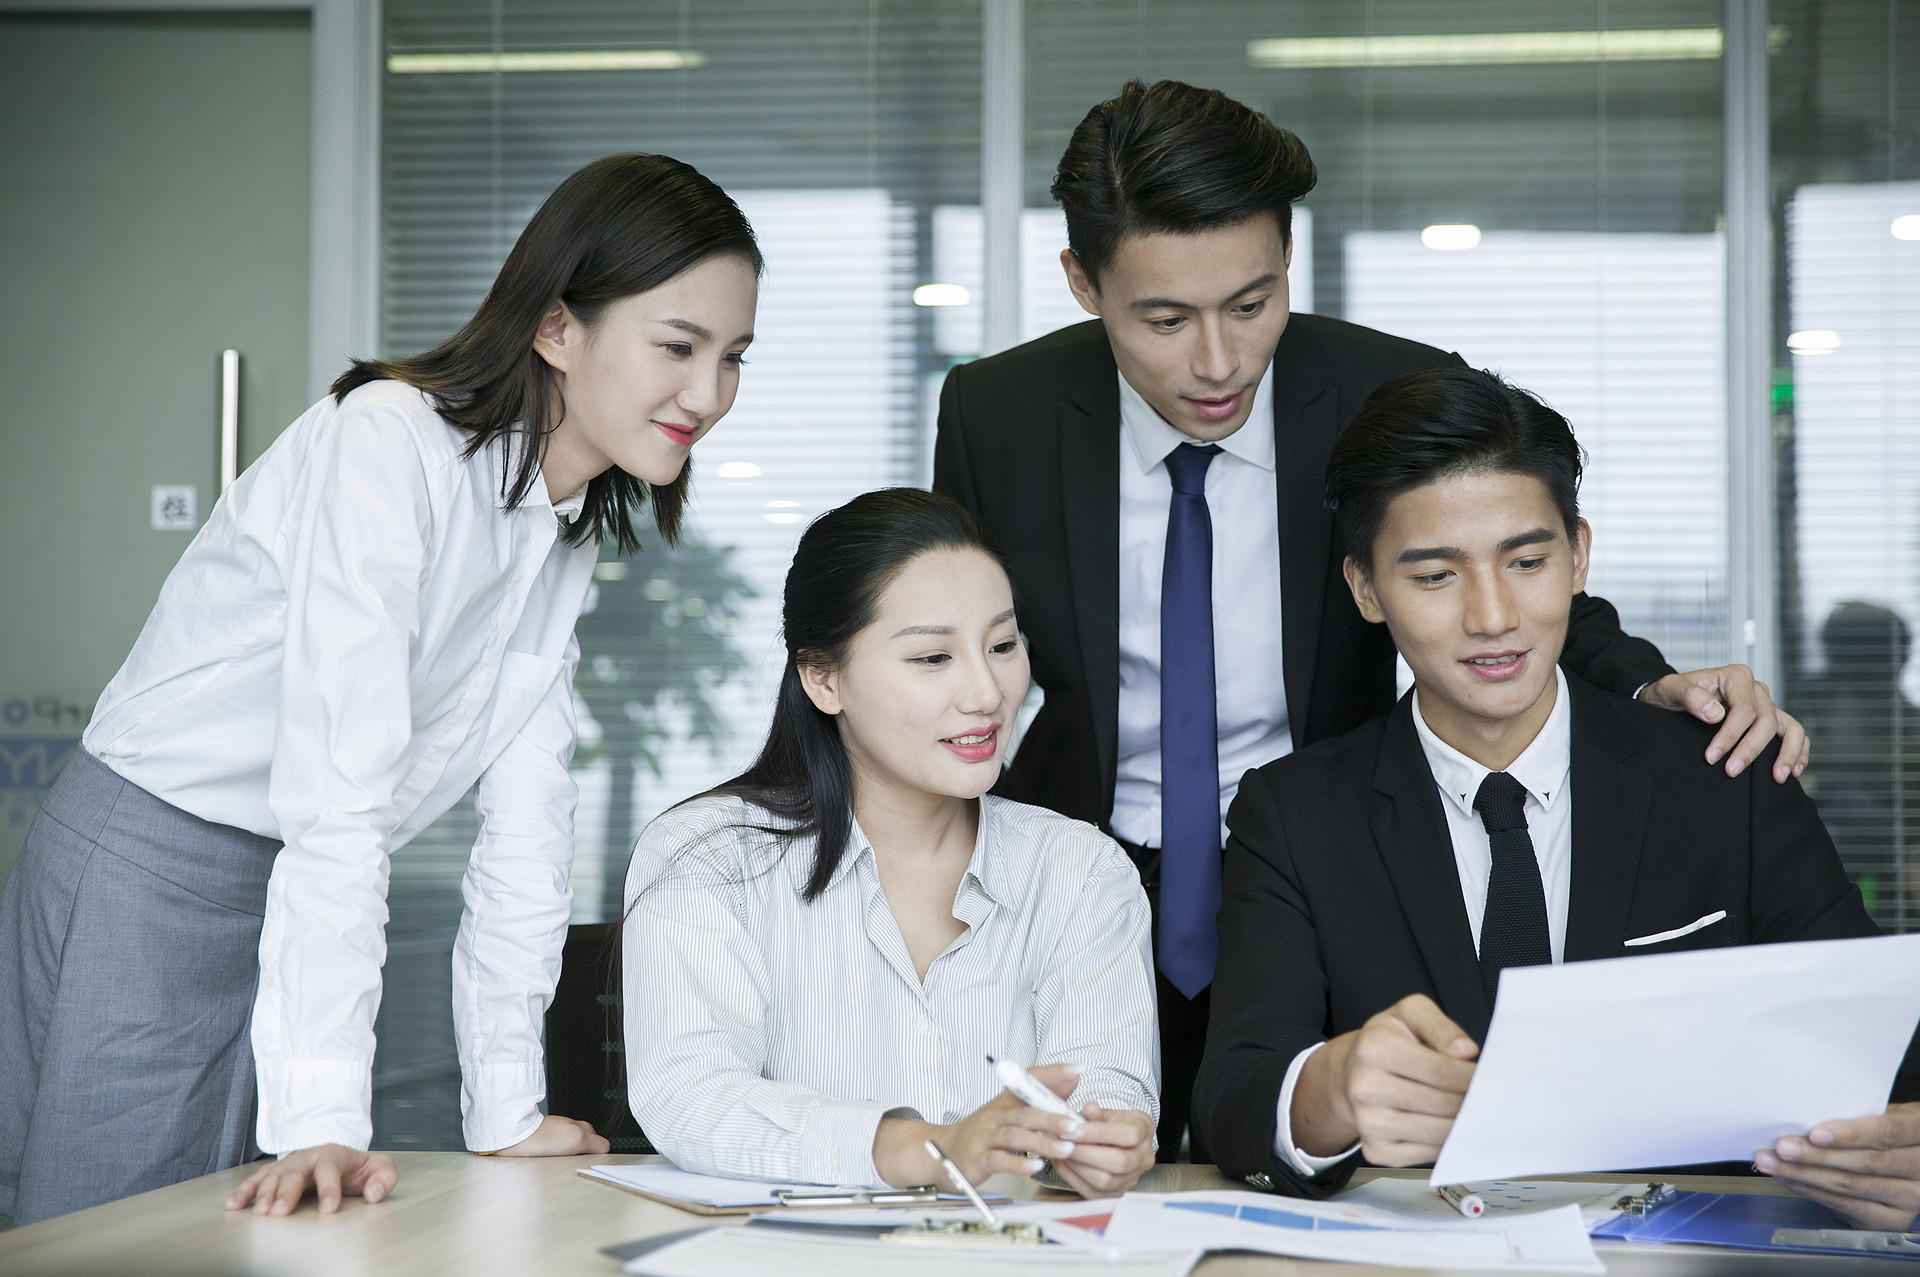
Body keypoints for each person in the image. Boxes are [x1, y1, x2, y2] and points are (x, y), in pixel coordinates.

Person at [931, 77, 1808, 1160]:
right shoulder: (997, 412)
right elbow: (950, 628)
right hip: (1086, 876)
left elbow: (1491, 566)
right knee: (1085, 1181)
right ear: (1081, 281)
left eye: (1253, 303)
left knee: (1320, 1145)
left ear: (1287, 258)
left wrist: (1644, 682)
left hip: (1313, 869)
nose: (1218, 361)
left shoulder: (1382, 386)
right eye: (1164, 318)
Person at [0, 153, 762, 1224]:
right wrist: (323, 1113)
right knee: (112, 1234)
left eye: (734, 356)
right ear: (556, 327)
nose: (709, 392)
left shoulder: (558, 531)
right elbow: (339, 791)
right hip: (154, 867)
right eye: (678, 346)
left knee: (235, 1238)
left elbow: (528, 831)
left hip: (290, 885)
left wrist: (505, 1104)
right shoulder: (389, 446)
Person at [1192, 366, 1920, 1230]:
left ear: (1578, 554)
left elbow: (1882, 1061)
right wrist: (1325, 1092)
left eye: (1527, 561)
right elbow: (1237, 1094)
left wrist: (1898, 1148)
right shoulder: (1295, 812)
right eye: (1435, 577)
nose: (1493, 616)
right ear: (1365, 588)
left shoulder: (1723, 776)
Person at [622, 488, 1158, 1199]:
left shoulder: (1082, 870)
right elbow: (691, 1095)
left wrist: (1101, 1142)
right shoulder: (706, 858)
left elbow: (1105, 1087)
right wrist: (927, 1147)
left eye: (1002, 645)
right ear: (823, 676)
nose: (987, 692)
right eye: (933, 656)